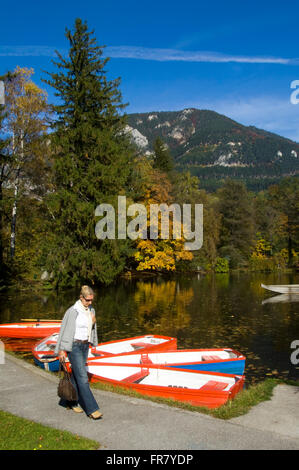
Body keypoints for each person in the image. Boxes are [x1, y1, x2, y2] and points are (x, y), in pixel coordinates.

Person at [54, 285, 102, 420]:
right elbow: (65, 331)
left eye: (92, 300)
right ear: (81, 298)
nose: (90, 303)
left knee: (75, 375)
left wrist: (93, 322)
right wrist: (62, 350)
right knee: (82, 377)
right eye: (87, 300)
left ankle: (69, 401)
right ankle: (92, 409)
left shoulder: (91, 310)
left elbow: (90, 329)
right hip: (74, 346)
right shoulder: (73, 311)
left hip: (84, 346)